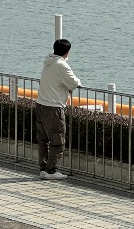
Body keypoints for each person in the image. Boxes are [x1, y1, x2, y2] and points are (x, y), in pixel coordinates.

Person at [35, 38, 82, 180]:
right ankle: (51, 170)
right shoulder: (61, 65)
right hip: (54, 107)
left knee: (43, 140)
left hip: (41, 104)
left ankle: (43, 169)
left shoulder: (48, 62)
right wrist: (79, 82)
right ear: (66, 53)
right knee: (58, 140)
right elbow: (73, 82)